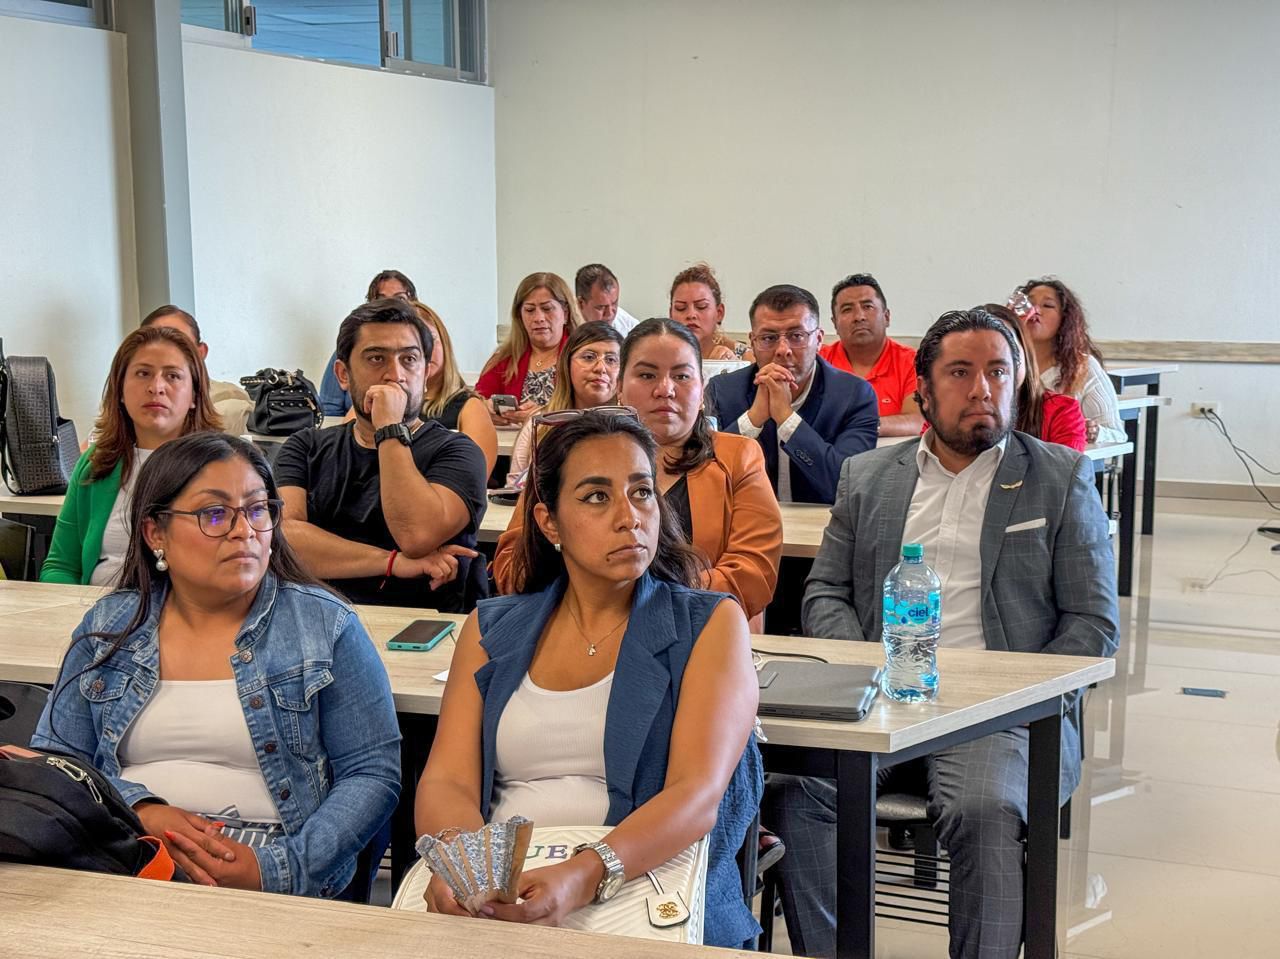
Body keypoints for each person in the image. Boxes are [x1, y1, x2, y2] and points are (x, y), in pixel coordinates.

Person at [767, 309, 1120, 959]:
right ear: (922, 390)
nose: (982, 387)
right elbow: (826, 591)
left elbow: (1093, 625)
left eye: (998, 371)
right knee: (797, 796)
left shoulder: (1060, 479)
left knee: (982, 810)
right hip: (880, 696)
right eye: (961, 372)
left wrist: (1007, 692)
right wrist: (872, 667)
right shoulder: (869, 477)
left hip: (1002, 712)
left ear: (1018, 383)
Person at [411, 410, 763, 947]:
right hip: (507, 892)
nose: (629, 516)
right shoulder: (491, 627)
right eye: (597, 497)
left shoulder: (710, 623)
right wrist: (467, 869)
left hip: (642, 882)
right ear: (549, 521)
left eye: (642, 492)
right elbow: (448, 782)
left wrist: (583, 875)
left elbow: (696, 795)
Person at [30, 433, 401, 898]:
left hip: (275, 854)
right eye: (214, 513)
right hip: (127, 847)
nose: (243, 530)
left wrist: (277, 868)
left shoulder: (325, 626)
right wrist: (138, 808)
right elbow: (57, 762)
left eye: (258, 509)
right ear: (155, 533)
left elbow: (372, 771)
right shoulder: (108, 627)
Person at [492, 319, 782, 626]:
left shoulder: (738, 458)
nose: (665, 390)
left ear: (701, 392)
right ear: (619, 387)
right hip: (579, 630)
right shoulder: (567, 454)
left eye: (682, 376)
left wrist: (639, 601)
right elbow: (513, 568)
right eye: (647, 375)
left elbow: (753, 574)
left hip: (697, 629)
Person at [275, 299, 488, 612]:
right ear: (343, 374)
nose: (395, 375)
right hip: (322, 621)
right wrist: (392, 563)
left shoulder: (458, 451)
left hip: (426, 629)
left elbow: (416, 536)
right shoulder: (305, 447)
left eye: (409, 359)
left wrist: (388, 428)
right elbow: (285, 542)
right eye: (377, 358)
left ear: (427, 372)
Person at [40, 326, 223, 586]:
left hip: (187, 619)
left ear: (194, 395)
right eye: (143, 373)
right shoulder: (97, 463)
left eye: (172, 376)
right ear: (121, 391)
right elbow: (61, 565)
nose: (156, 387)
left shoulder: (223, 467)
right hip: (95, 616)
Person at [705, 284, 879, 505]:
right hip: (745, 527)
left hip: (825, 529)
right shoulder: (723, 391)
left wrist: (787, 419)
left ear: (818, 340)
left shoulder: (854, 396)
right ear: (753, 342)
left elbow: (845, 484)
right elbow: (706, 479)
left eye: (797, 336)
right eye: (769, 338)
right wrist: (753, 419)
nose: (782, 349)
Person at [505, 320, 624, 488]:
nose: (600, 368)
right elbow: (514, 488)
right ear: (566, 365)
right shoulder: (539, 424)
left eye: (611, 360)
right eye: (589, 357)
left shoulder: (632, 428)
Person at [1019, 277, 1124, 444]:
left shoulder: (1083, 366)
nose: (1035, 311)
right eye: (1028, 305)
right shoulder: (1006, 362)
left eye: (1047, 305)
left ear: (1064, 318)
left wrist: (1095, 432)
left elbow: (1117, 434)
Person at [817, 274, 923, 436]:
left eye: (868, 307)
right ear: (834, 323)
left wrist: (862, 426)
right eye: (847, 309)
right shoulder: (818, 361)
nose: (859, 317)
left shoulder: (913, 362)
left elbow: (917, 422)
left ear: (886, 317)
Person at [476, 272, 581, 427]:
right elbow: (475, 400)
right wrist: (485, 409)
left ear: (565, 313)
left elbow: (591, 411)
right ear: (519, 315)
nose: (539, 318)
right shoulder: (504, 359)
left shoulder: (583, 356)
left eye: (547, 309)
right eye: (530, 310)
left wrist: (543, 416)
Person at [983, 303, 1087, 450]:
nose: (998, 358)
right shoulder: (950, 411)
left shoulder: (1061, 411)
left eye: (1008, 345)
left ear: (1025, 353)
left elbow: (1065, 470)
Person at [140, 306, 254, 436]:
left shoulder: (227, 401)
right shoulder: (127, 397)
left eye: (180, 344)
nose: (167, 353)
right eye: (156, 344)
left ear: (201, 352)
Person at [415, 301, 499, 478]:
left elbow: (471, 482)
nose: (425, 351)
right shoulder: (373, 405)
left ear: (444, 343)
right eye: (414, 344)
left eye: (431, 339)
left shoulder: (470, 408)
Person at [320, 269, 417, 417]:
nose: (390, 305)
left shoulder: (430, 348)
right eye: (375, 358)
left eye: (408, 359)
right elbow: (329, 408)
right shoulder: (352, 348)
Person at [669, 263, 752, 361]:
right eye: (681, 308)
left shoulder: (745, 359)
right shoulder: (657, 358)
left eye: (701, 307)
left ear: (719, 313)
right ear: (671, 315)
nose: (691, 315)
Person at [575, 263, 639, 334]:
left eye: (614, 303)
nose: (610, 314)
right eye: (601, 307)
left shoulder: (631, 328)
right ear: (580, 304)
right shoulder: (563, 327)